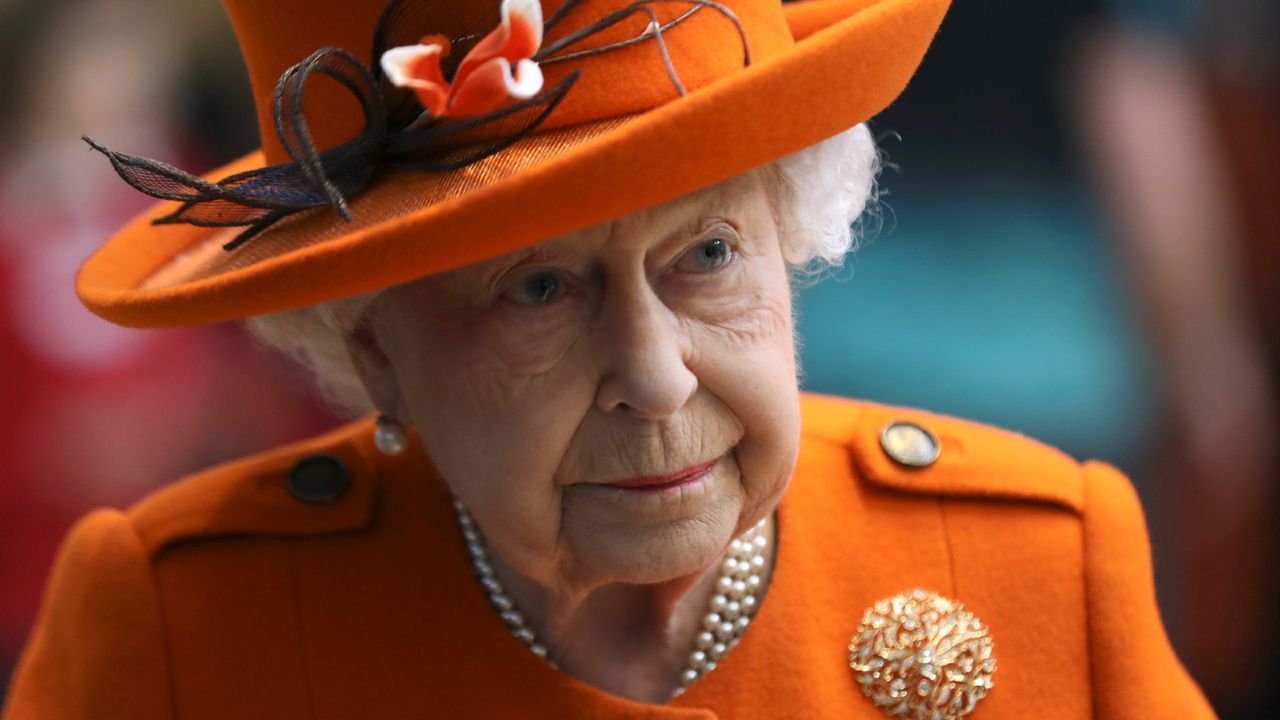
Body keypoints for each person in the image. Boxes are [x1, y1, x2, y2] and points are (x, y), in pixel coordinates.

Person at [2, 0, 1216, 717]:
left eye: (705, 257)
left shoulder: (1041, 564)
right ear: (372, 349)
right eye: (536, 288)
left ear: (791, 242)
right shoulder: (182, 630)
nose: (657, 374)